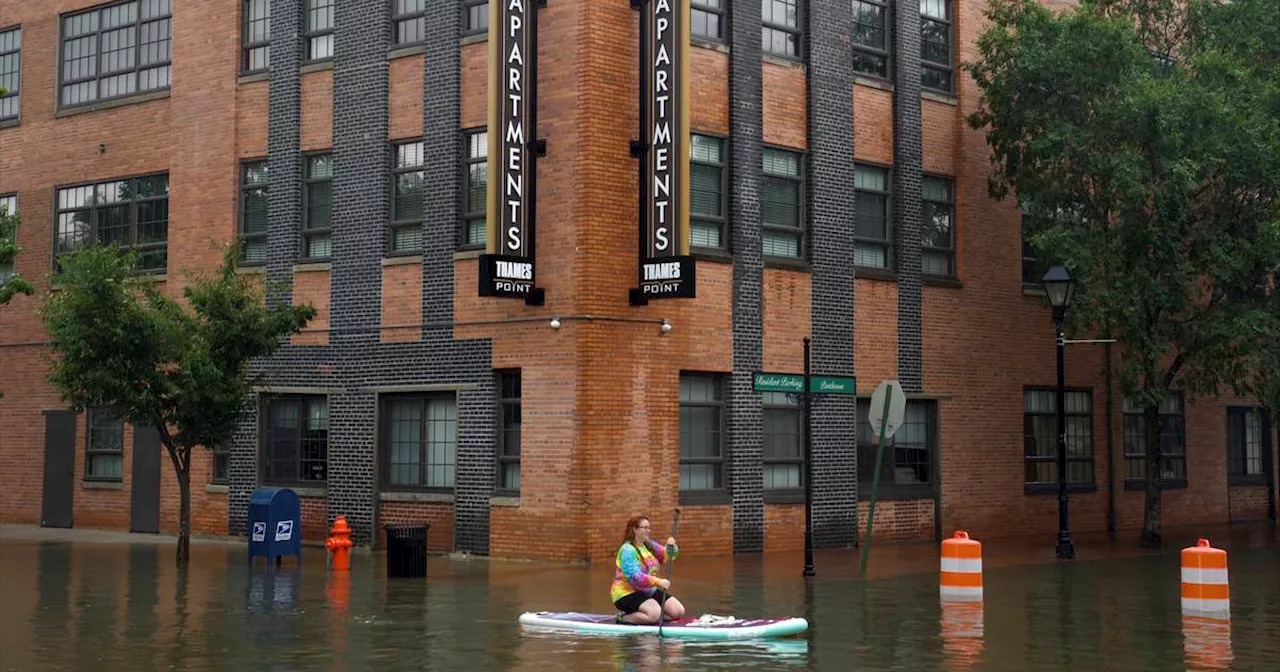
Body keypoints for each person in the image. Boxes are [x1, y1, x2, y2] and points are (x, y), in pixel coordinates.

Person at [611, 514, 686, 625]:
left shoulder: (648, 545)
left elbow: (666, 556)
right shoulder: (628, 550)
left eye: (649, 528)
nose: (648, 531)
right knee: (655, 614)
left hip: (647, 590)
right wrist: (658, 582)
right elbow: (635, 577)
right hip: (626, 593)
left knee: (678, 611)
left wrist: (671, 546)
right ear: (635, 529)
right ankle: (623, 618)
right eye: (645, 528)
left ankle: (649, 615)